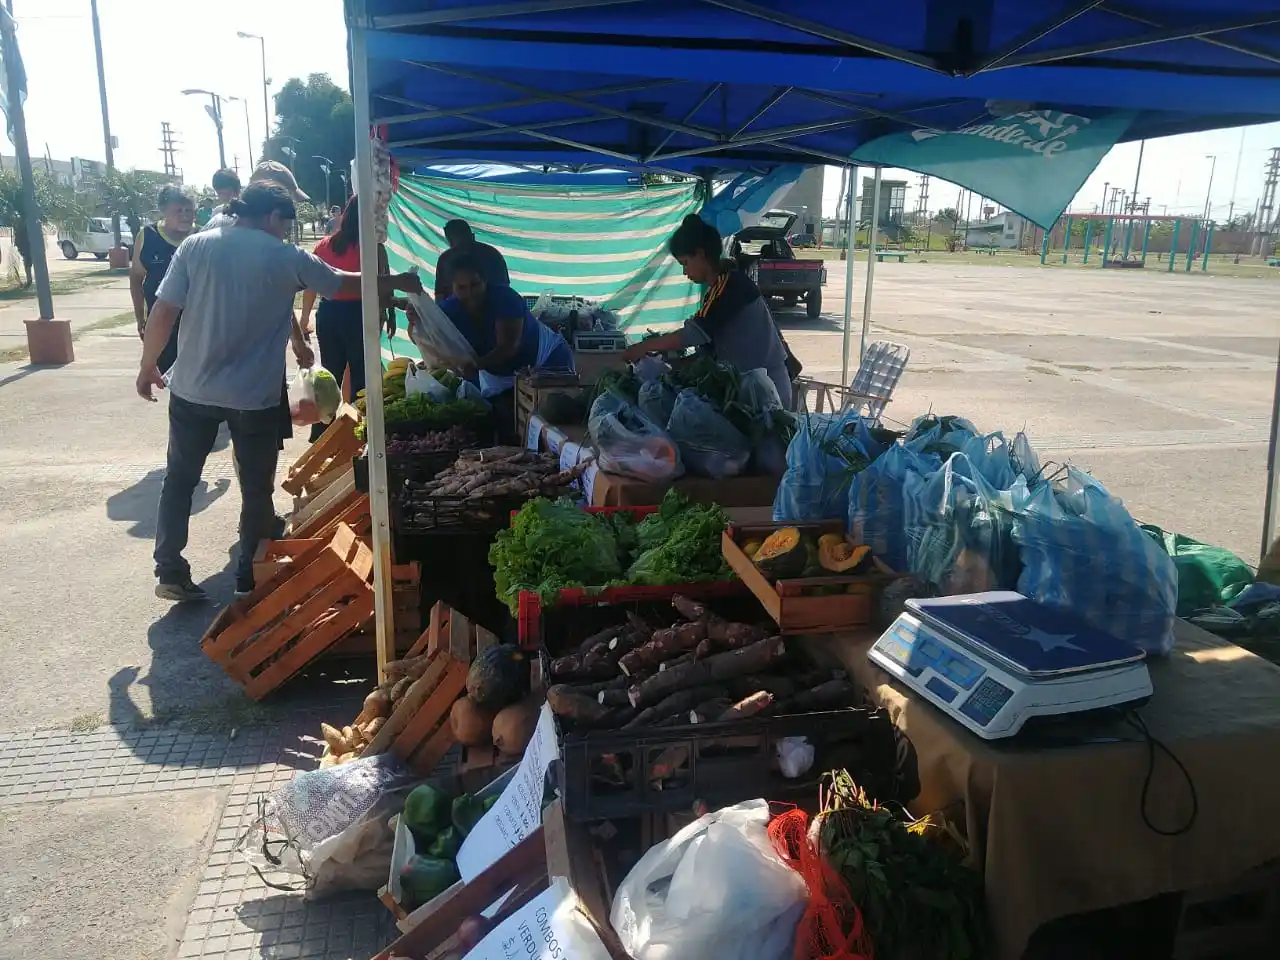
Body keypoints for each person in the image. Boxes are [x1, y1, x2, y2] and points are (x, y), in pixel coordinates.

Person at [137, 182, 423, 602]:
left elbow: (162, 312)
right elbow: (340, 284)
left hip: (192, 389)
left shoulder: (196, 246)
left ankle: (169, 569)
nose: (287, 233)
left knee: (179, 480)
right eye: (286, 224)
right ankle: (245, 575)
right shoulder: (284, 256)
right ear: (273, 216)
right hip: (253, 396)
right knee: (256, 487)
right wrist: (393, 280)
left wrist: (148, 367)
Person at [622, 214, 796, 408]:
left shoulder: (731, 286)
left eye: (685, 263)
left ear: (700, 254)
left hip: (768, 390)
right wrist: (669, 367)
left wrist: (643, 348)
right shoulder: (718, 289)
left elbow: (692, 334)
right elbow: (707, 353)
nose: (684, 272)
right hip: (749, 389)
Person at [300, 196, 391, 440]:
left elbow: (310, 286)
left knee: (330, 376)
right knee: (363, 377)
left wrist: (305, 317)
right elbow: (382, 287)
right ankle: (358, 435)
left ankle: (321, 434)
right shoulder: (372, 247)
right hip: (359, 315)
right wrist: (387, 314)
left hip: (328, 315)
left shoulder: (324, 245)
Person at [130, 186, 196, 373]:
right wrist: (140, 319)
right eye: (178, 210)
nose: (185, 215)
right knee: (166, 377)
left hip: (196, 328)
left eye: (189, 210)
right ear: (163, 211)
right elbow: (136, 278)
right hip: (161, 325)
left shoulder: (203, 237)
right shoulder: (148, 236)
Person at [434, 218, 510, 301]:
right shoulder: (493, 253)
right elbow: (505, 289)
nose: (469, 292)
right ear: (472, 236)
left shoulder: (446, 259)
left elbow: (439, 297)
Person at [12, 214, 33, 288]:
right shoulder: (20, 227)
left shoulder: (22, 228)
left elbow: (19, 237)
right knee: (27, 263)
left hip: (26, 247)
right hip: (24, 246)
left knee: (27, 263)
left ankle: (29, 280)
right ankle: (29, 280)